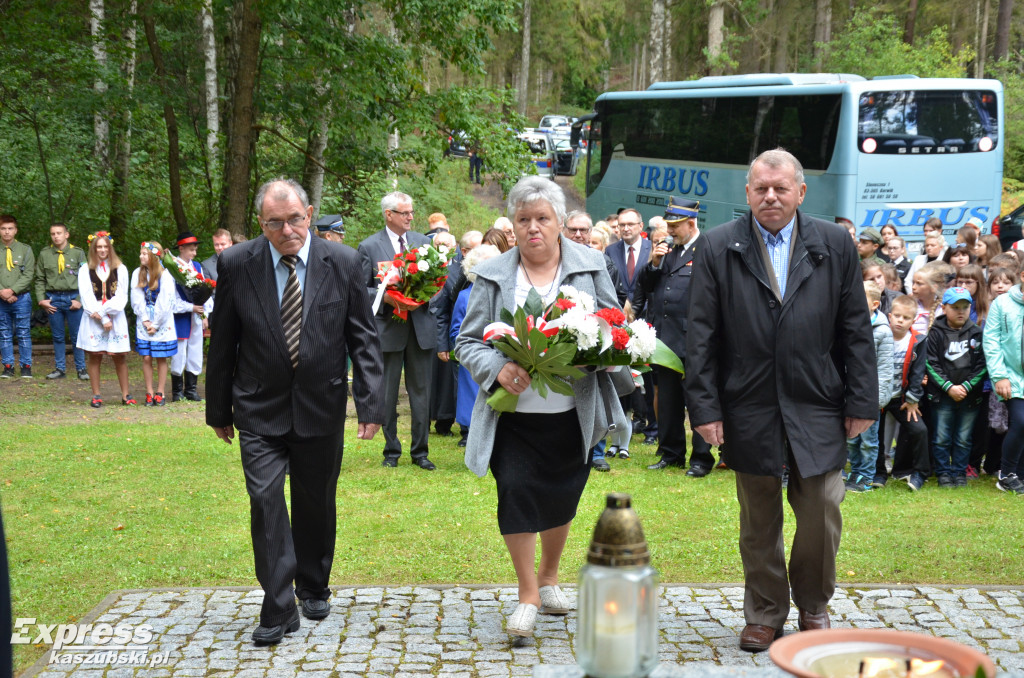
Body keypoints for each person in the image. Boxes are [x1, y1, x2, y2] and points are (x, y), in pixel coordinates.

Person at [686, 149, 877, 652]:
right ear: (747, 193)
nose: (770, 197)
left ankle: (814, 602)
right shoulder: (718, 246)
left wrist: (861, 400)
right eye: (760, 189)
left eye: (781, 188)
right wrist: (705, 410)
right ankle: (765, 612)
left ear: (800, 192)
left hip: (818, 400)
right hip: (747, 401)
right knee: (759, 517)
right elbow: (701, 337)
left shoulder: (834, 243)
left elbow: (856, 329)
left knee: (820, 509)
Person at [206, 177, 385, 645]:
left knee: (315, 502)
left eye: (295, 220)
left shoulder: (343, 262)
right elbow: (223, 338)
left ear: (309, 213)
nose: (287, 230)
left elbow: (363, 339)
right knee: (265, 502)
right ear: (260, 224)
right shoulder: (236, 263)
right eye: (275, 223)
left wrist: (370, 402)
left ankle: (313, 583)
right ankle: (278, 603)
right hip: (257, 406)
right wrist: (217, 407)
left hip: (321, 404)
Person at [455, 176, 626, 638]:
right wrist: (497, 368)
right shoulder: (493, 274)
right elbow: (467, 341)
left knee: (561, 496)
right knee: (515, 492)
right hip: (512, 416)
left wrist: (607, 354)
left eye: (542, 219)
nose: (533, 228)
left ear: (560, 223)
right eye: (524, 219)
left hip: (573, 414)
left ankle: (550, 577)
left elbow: (613, 324)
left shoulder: (591, 265)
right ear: (513, 226)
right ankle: (528, 594)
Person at [635, 196, 716, 476]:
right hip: (667, 340)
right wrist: (655, 263)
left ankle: (701, 459)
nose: (670, 231)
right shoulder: (670, 252)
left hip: (695, 341)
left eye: (675, 226)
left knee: (698, 401)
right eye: (669, 225)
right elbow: (645, 287)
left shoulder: (708, 249)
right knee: (668, 400)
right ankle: (671, 454)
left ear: (691, 223)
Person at [357, 191, 437, 470]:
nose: (411, 217)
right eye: (405, 213)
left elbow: (438, 283)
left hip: (420, 328)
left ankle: (421, 452)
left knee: (421, 393)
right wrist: (385, 298)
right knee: (388, 393)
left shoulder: (423, 242)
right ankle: (391, 450)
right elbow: (360, 290)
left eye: (412, 212)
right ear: (388, 214)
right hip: (389, 327)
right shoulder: (369, 246)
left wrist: (423, 296)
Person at [925, 286, 986, 487]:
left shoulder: (977, 333)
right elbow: (930, 363)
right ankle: (943, 473)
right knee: (941, 437)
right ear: (944, 308)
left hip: (970, 397)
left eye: (965, 307)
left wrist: (967, 387)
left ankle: (959, 472)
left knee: (963, 438)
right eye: (955, 307)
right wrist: (948, 387)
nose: (961, 311)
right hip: (942, 396)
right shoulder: (935, 333)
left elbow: (983, 365)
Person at [606, 207, 657, 443]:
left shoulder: (651, 250)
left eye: (630, 224)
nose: (625, 228)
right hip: (618, 322)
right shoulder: (610, 250)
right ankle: (622, 423)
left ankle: (652, 427)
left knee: (649, 376)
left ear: (640, 226)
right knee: (624, 374)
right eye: (622, 224)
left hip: (646, 320)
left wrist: (637, 311)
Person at [876, 295, 930, 491]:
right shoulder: (880, 336)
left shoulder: (917, 341)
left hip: (902, 398)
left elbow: (918, 371)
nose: (900, 320)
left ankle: (919, 473)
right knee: (877, 436)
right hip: (879, 397)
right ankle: (878, 472)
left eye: (906, 318)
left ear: (914, 320)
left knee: (919, 430)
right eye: (897, 316)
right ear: (889, 316)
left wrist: (913, 398)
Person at [450, 243, 501, 447]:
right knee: (473, 405)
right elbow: (456, 331)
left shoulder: (506, 293)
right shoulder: (464, 297)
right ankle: (475, 442)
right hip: (475, 360)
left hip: (502, 357)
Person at [844, 282, 893, 493]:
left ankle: (866, 475)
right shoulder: (848, 325)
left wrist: (878, 399)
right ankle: (855, 471)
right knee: (851, 438)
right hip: (850, 393)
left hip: (870, 396)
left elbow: (885, 368)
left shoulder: (882, 331)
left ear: (874, 304)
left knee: (869, 440)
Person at [76, 232, 133, 407]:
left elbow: (122, 297)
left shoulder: (120, 268)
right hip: (93, 319)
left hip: (114, 318)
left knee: (119, 357)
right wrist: (102, 317)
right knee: (95, 356)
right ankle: (96, 395)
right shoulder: (85, 269)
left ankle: (125, 395)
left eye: (105, 246)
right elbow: (86, 296)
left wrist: (105, 313)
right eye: (98, 247)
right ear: (93, 248)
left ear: (110, 248)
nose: (102, 250)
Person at [984, 265, 1024, 494]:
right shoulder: (1002, 303)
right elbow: (991, 341)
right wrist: (1000, 375)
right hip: (1012, 376)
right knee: (1020, 422)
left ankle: (1021, 474)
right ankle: (1007, 474)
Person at [35, 222, 87, 380]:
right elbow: (39, 279)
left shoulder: (78, 253)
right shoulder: (45, 254)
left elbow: (86, 279)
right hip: (53, 298)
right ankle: (60, 369)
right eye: (53, 234)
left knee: (77, 335)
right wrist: (41, 300)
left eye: (59, 233)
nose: (56, 236)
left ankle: (81, 369)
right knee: (57, 336)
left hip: (73, 297)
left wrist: (80, 300)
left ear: (66, 234)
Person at [130, 242, 177, 406]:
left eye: (145, 254)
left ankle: (161, 391)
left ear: (154, 256)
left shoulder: (165, 275)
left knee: (161, 357)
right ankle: (149, 391)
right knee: (147, 357)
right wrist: (144, 319)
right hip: (145, 320)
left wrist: (156, 323)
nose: (141, 256)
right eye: (141, 253)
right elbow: (136, 297)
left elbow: (166, 301)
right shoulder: (138, 273)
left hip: (161, 320)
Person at [170, 231, 213, 401]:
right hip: (181, 316)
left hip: (196, 316)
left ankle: (191, 389)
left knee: (195, 349)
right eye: (191, 250)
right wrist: (190, 307)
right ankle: (177, 391)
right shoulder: (172, 268)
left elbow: (205, 291)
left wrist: (205, 314)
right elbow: (171, 298)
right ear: (181, 249)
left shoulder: (197, 266)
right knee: (179, 351)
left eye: (195, 250)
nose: (194, 253)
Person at [0, 215, 35, 378]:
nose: (7, 232)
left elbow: (28, 274)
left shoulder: (25, 250)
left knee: (23, 332)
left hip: (21, 298)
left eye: (10, 228)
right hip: (0, 298)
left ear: (15, 230)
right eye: (3, 228)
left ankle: (26, 366)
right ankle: (8, 366)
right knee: (4, 332)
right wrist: (3, 292)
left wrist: (12, 290)